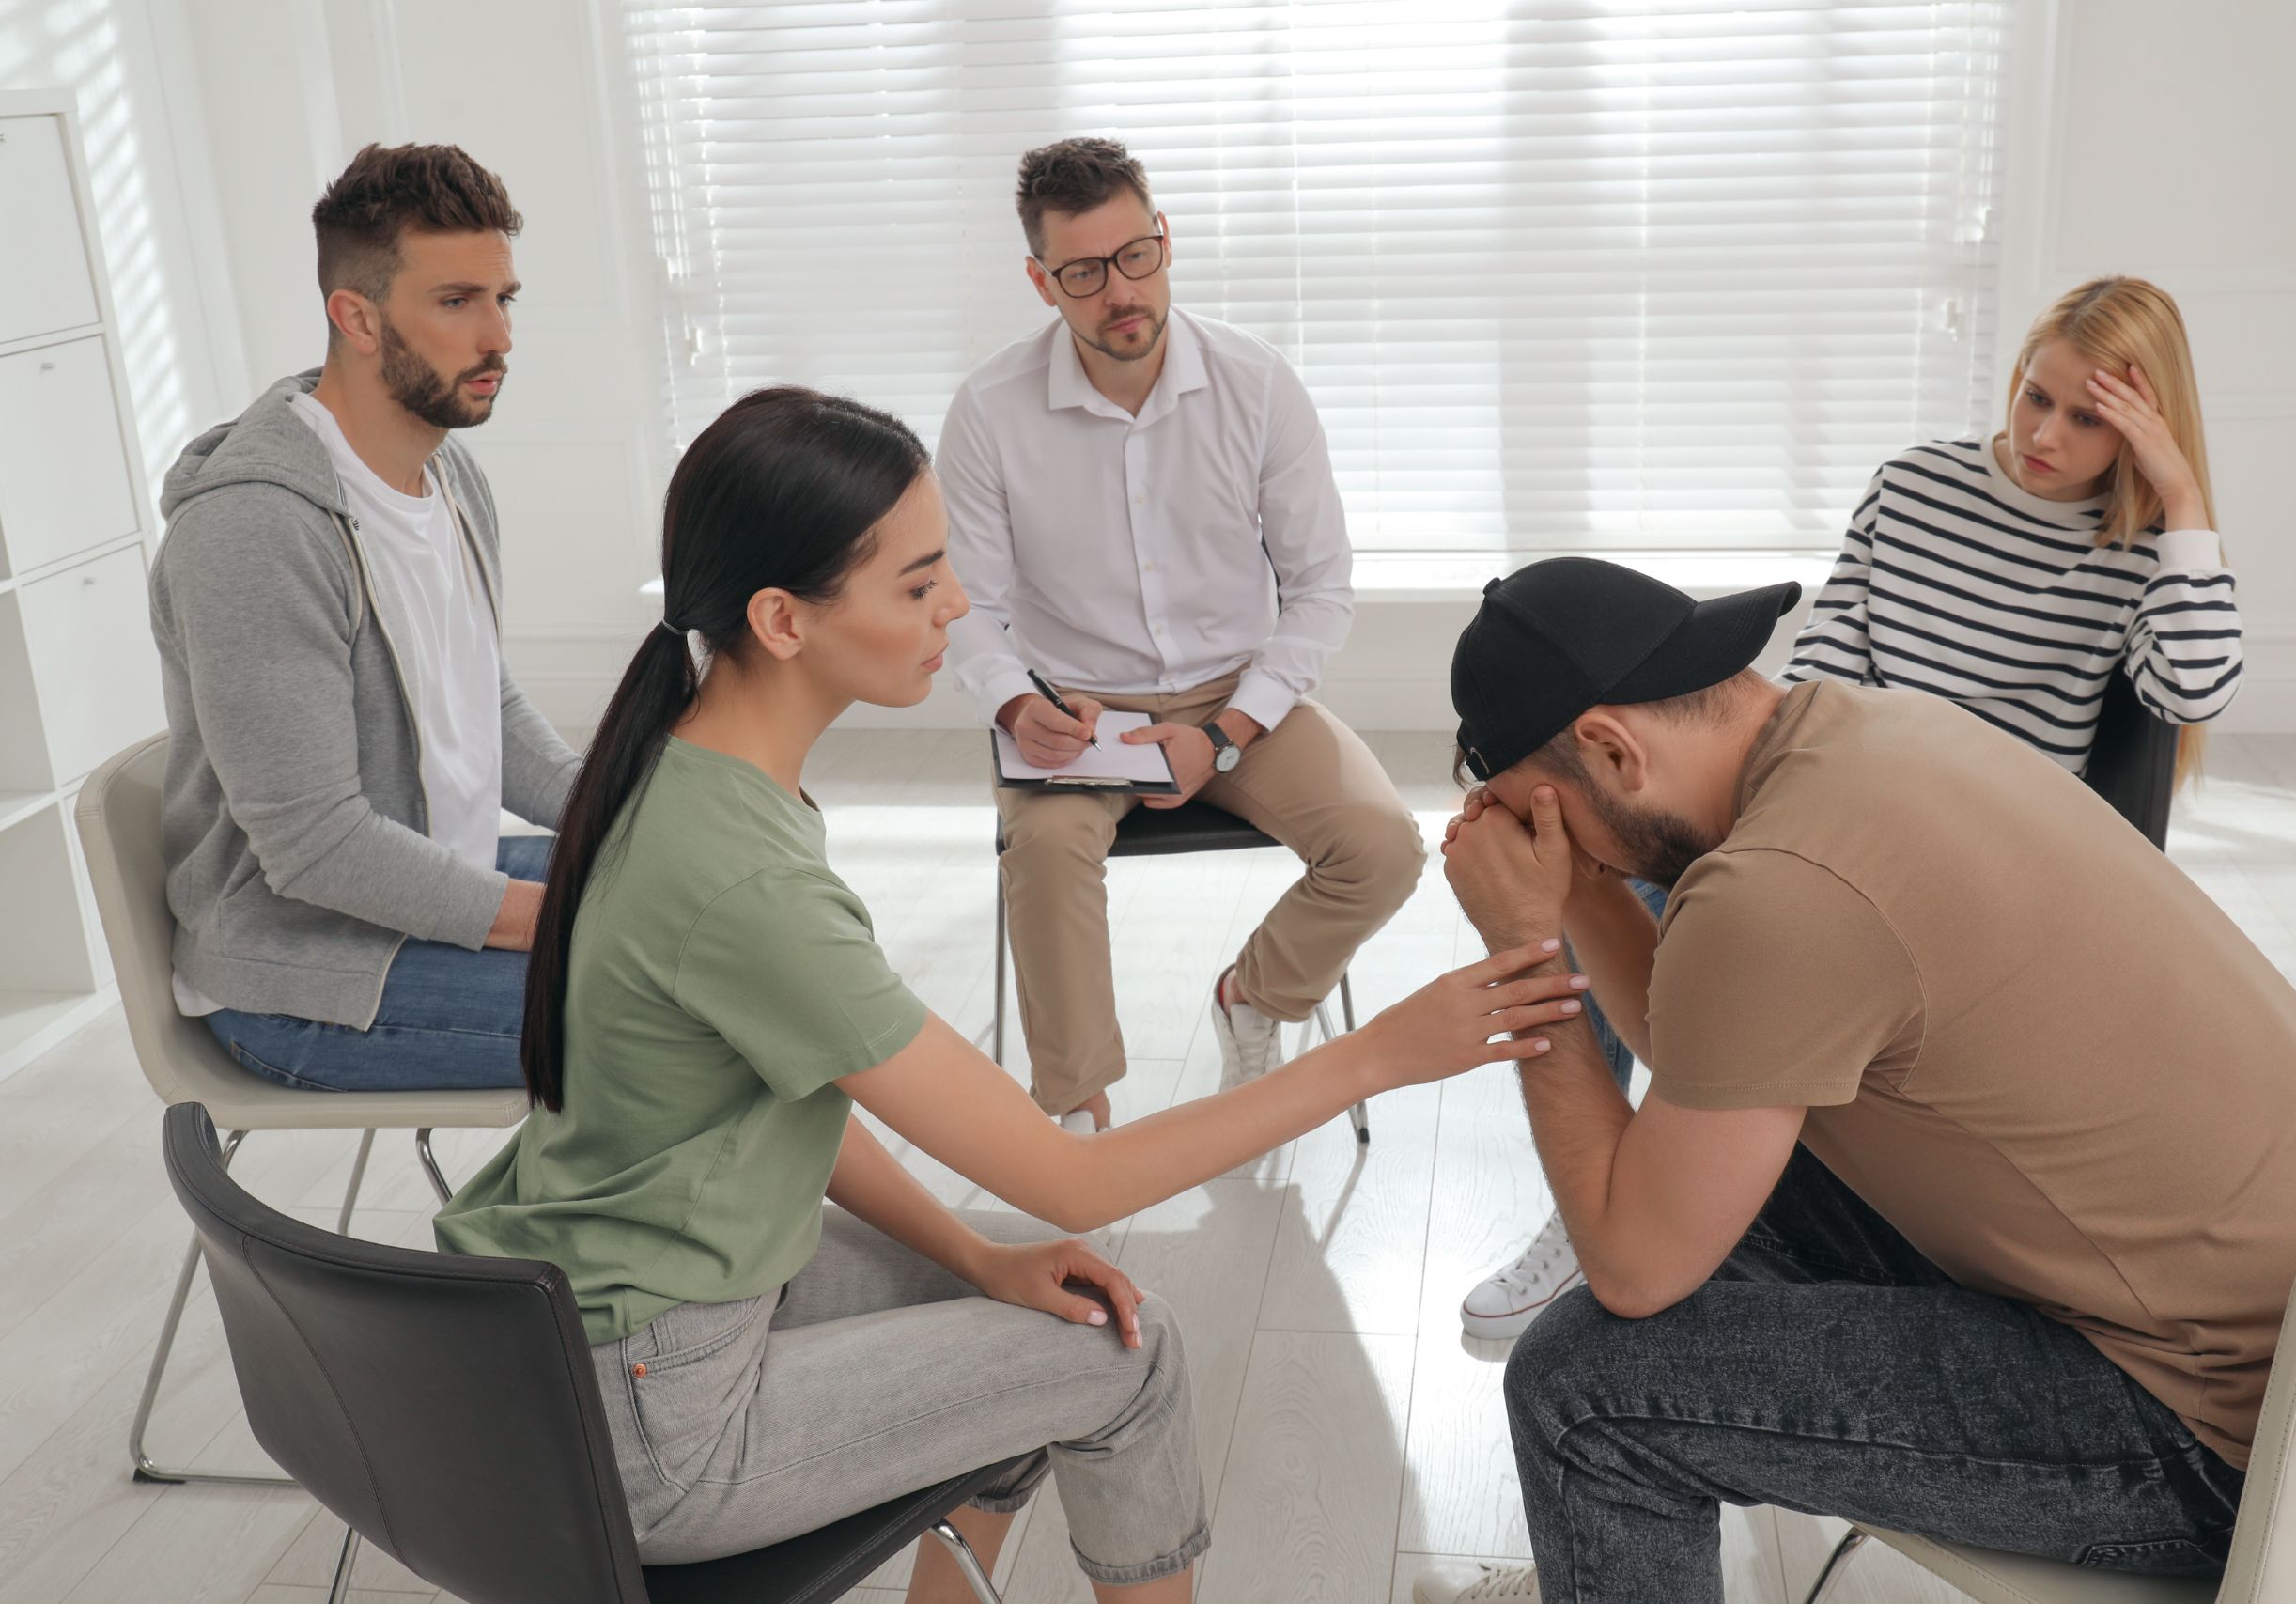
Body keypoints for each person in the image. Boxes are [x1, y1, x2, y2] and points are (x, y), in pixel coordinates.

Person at [432, 386, 1582, 1601]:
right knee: (1127, 1360)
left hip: (595, 1313)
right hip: (657, 1410)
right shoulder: (742, 876)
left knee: (1061, 1303)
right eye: (919, 583)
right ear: (782, 618)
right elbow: (1076, 1175)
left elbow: (807, 1104)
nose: (960, 605)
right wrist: (1377, 1051)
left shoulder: (686, 779)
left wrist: (981, 1256)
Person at [1410, 558, 2296, 1604]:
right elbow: (1706, 1048)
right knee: (1708, 1173)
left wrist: (1523, 940)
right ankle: (1605, 1567)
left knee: (1580, 1392)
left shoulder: (1780, 893)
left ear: (1611, 747)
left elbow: (1629, 1270)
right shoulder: (1867, 735)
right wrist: (1581, 892)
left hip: (2215, 1443)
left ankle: (1603, 1531)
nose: (1546, 845)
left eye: (1543, 815)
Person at [1461, 274, 2246, 1340]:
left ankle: (1670, 1199)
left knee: (1726, 929)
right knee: (1624, 865)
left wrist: (2184, 506)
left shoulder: (2140, 554)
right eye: (2032, 394)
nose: (2040, 434)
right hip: (1842, 781)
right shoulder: (1914, 486)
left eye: (2086, 417)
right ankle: (1610, 1194)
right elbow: (1827, 659)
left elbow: (2190, 691)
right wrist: (1785, 801)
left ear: (2146, 427)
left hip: (1980, 847)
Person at [937, 137, 1424, 1133]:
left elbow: (1322, 589)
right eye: (1082, 272)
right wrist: (1017, 703)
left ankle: (1255, 994)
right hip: (1073, 709)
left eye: (1134, 256)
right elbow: (967, 607)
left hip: (1236, 694)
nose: (1119, 291)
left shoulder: (1257, 384)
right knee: (1043, 850)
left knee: (1385, 846)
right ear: (1041, 281)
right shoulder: (989, 410)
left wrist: (1228, 731)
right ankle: (1074, 1119)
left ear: (1163, 240)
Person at [149, 142, 579, 1092]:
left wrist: (636, 808)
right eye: (456, 302)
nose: (498, 337)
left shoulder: (448, 472)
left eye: (504, 299)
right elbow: (316, 848)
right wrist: (577, 915)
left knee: (737, 919)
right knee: (694, 1008)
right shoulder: (255, 528)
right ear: (358, 317)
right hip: (304, 971)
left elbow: (483, 705)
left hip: (433, 870)